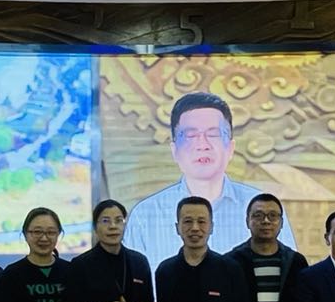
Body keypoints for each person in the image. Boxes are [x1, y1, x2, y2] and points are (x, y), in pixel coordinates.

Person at [123, 92, 295, 268]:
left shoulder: (264, 210)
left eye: (213, 134)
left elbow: (289, 272)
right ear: (174, 150)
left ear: (231, 148)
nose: (202, 145)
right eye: (190, 135)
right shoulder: (145, 216)